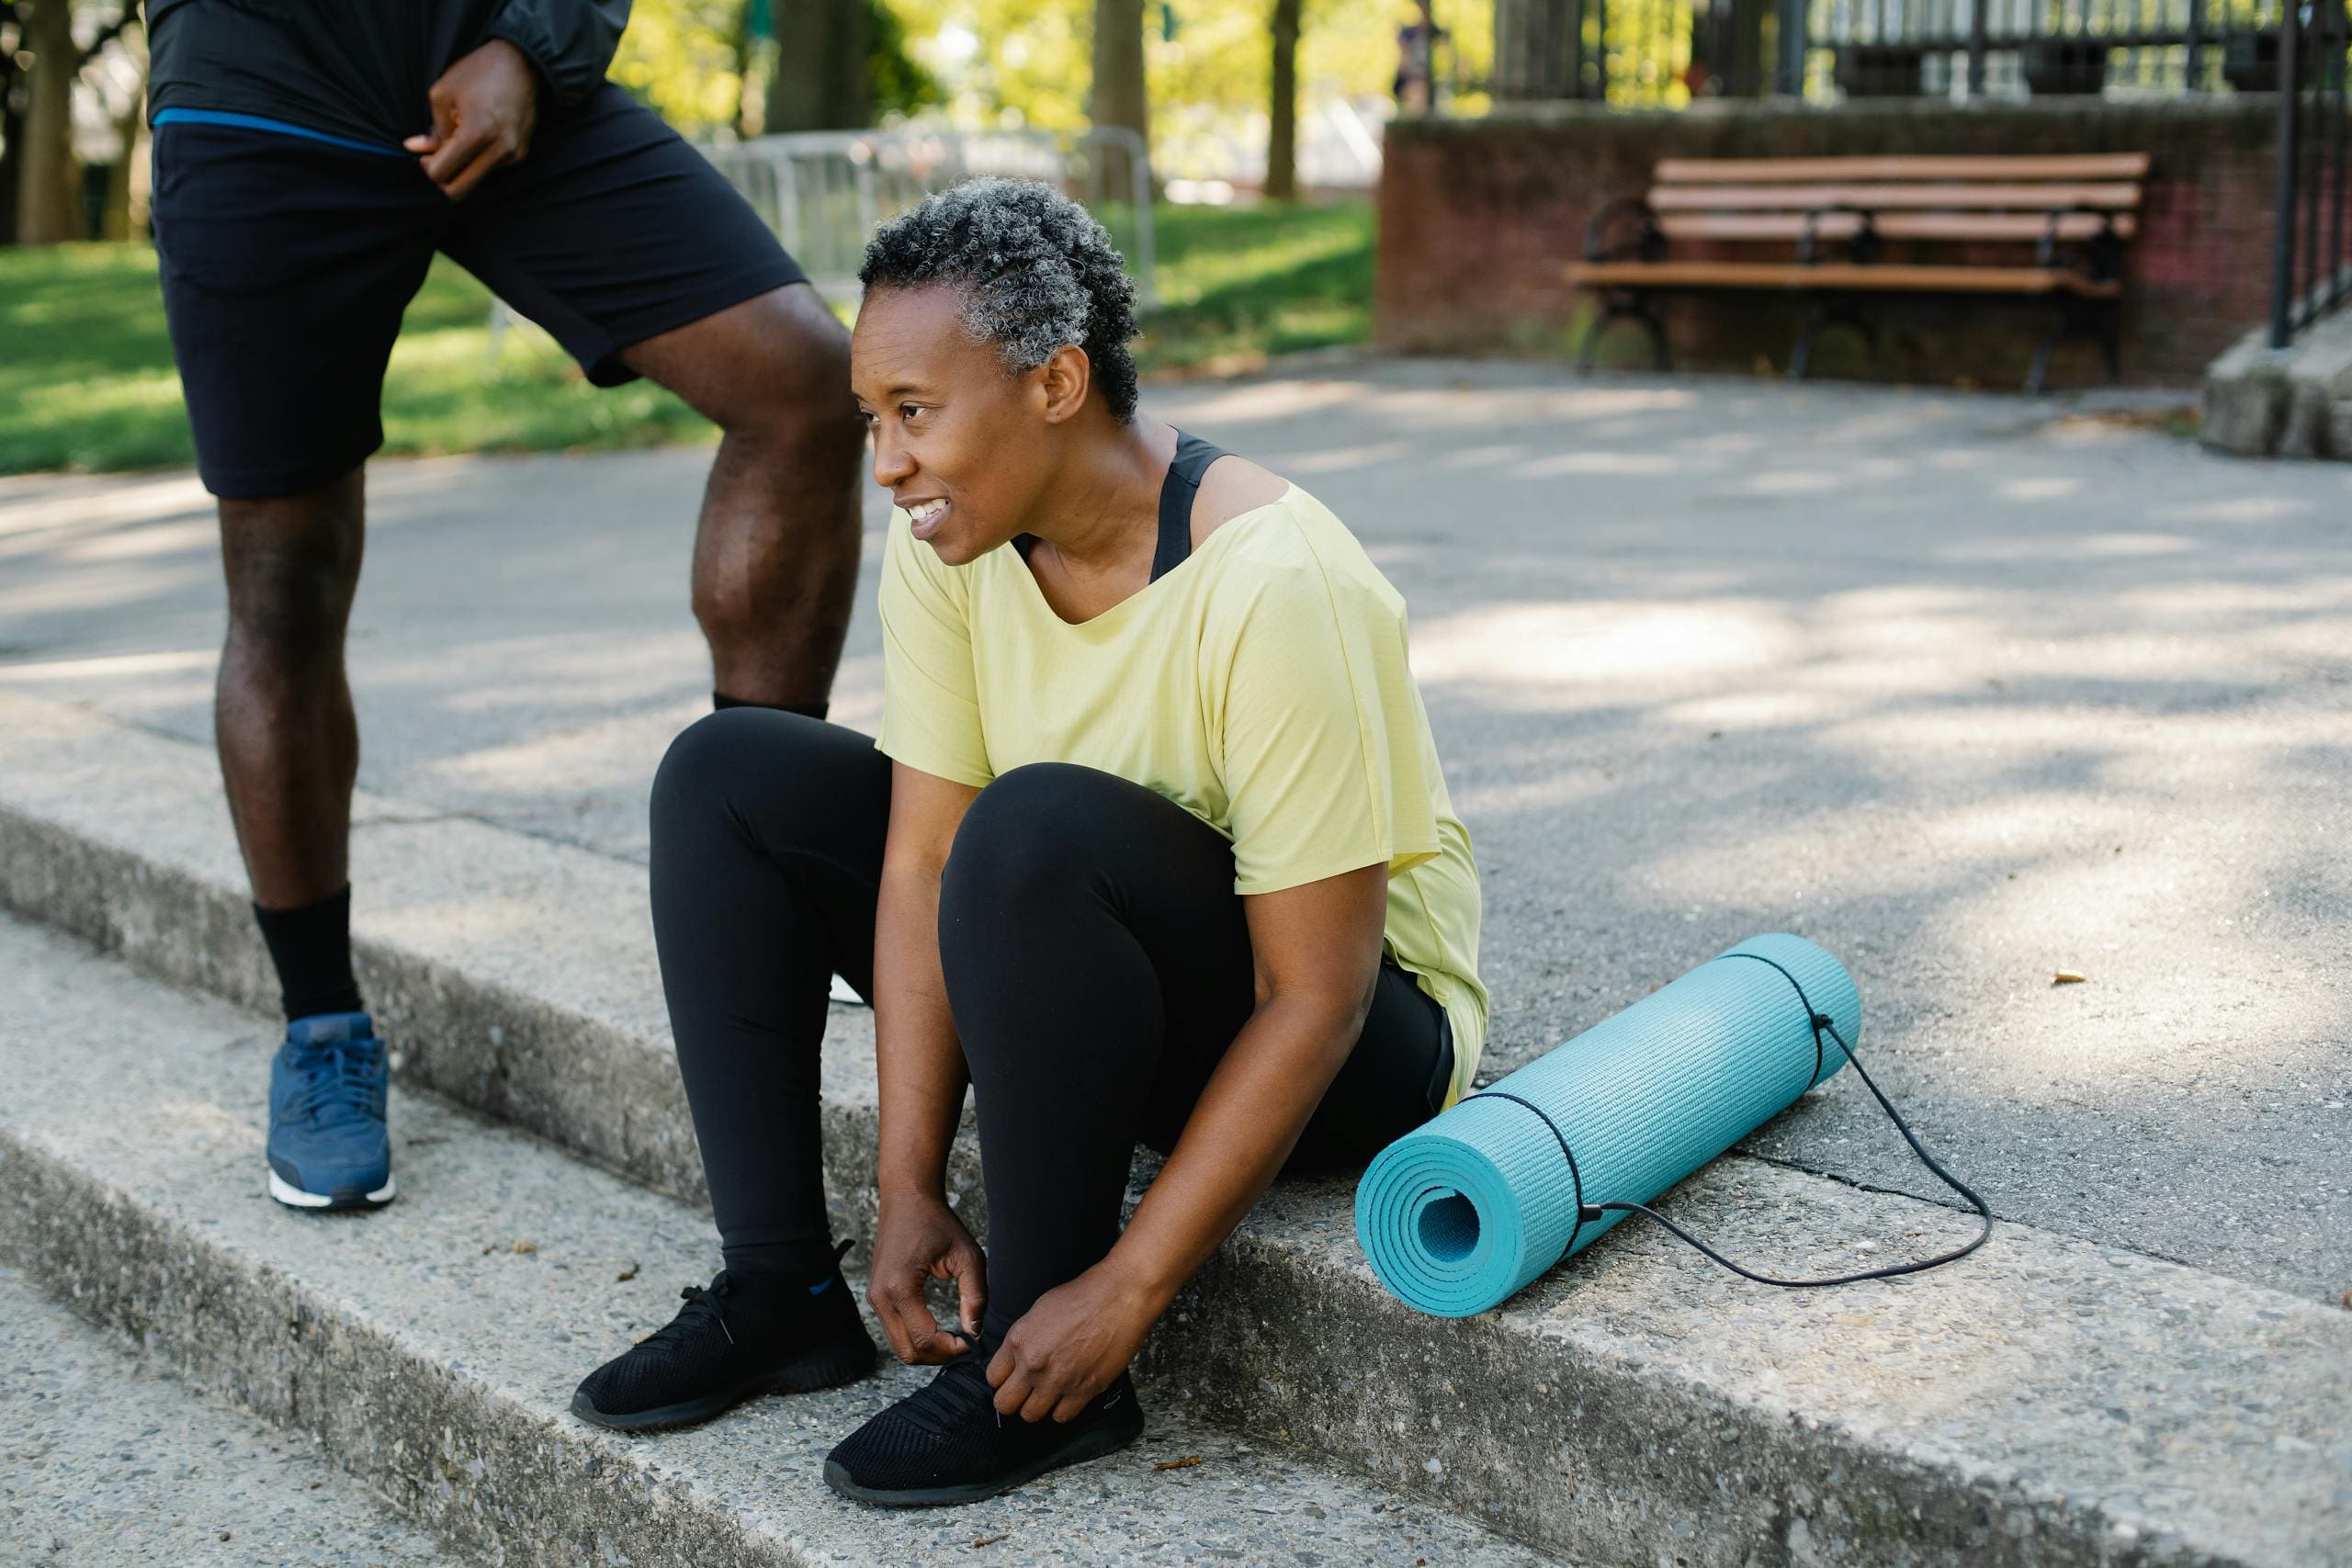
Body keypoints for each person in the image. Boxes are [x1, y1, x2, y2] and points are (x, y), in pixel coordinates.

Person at [568, 178, 1487, 1507]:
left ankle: (1044, 1373)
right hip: (1079, 952)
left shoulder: (1278, 579)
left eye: (917, 415)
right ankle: (783, 1289)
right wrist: (905, 1184)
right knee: (729, 775)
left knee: (1037, 820)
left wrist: (1127, 1289)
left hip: (1359, 1042)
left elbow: (1319, 996)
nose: (887, 465)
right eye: (871, 420)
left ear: (1056, 383)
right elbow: (916, 864)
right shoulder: (957, 537)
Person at [141, 0, 865, 1212]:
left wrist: (534, 44)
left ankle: (770, 878)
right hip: (259, 84)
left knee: (801, 381)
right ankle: (322, 1027)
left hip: (491, 52)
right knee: (285, 576)